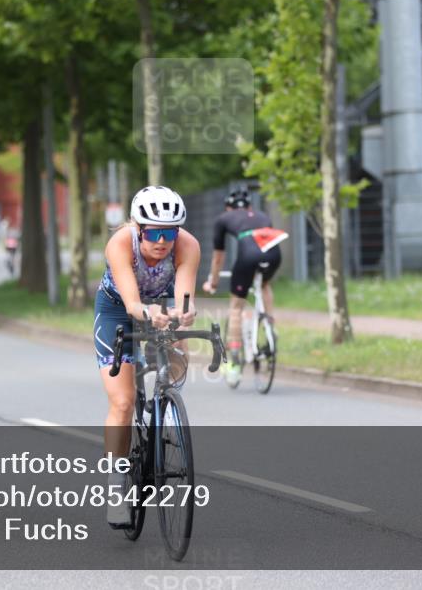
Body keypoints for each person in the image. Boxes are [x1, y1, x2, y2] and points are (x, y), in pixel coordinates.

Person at [94, 185, 200, 528]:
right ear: (138, 228)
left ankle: (164, 404)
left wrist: (184, 313)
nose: (163, 241)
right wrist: (147, 312)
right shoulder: (120, 243)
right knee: (123, 402)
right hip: (118, 310)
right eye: (154, 233)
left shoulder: (188, 245)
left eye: (170, 232)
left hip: (160, 305)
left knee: (177, 347)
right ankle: (115, 488)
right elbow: (131, 303)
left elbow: (184, 296)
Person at [201, 187, 285, 386]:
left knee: (236, 307)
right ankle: (270, 326)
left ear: (228, 207)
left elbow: (218, 257)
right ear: (249, 206)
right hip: (274, 254)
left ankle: (234, 360)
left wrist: (213, 282)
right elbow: (264, 244)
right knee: (264, 284)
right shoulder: (263, 216)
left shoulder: (223, 219)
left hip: (248, 255)